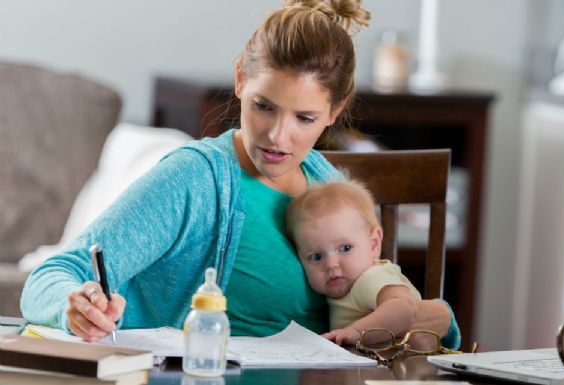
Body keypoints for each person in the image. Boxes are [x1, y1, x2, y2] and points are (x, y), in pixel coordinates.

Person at [20, 0, 457, 346]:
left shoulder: (332, 190)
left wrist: (440, 319)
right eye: (264, 106)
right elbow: (54, 273)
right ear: (240, 80)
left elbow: (385, 302)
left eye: (304, 118)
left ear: (335, 112)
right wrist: (72, 305)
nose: (277, 137)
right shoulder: (195, 180)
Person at [286, 180, 459, 348]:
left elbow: (404, 308)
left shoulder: (370, 278)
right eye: (316, 257)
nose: (331, 264)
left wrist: (355, 332)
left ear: (374, 243)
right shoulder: (349, 285)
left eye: (345, 248)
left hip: (404, 371)